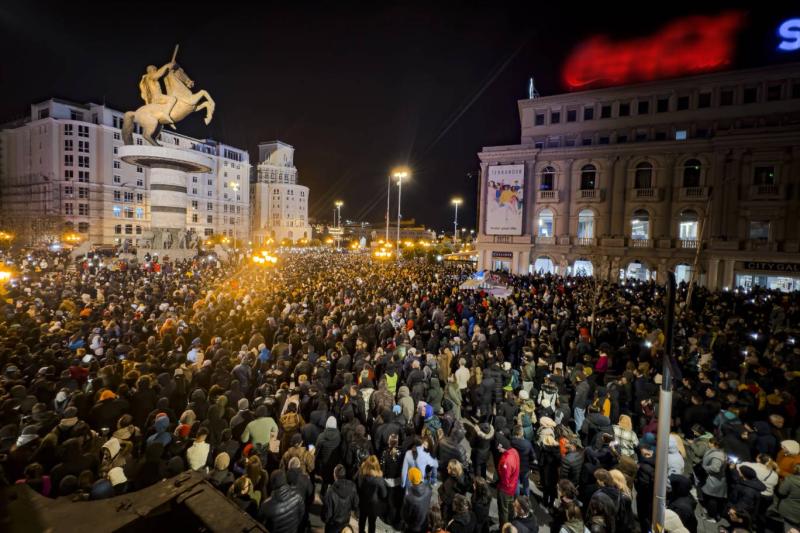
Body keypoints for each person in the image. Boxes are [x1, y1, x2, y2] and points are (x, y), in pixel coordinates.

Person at [322, 464, 358, 533]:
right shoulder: (352, 487)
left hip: (332, 525)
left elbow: (327, 513)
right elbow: (356, 504)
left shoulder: (330, 491)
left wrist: (325, 519)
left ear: (335, 475)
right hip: (345, 522)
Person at [356, 455, 388, 533]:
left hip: (362, 503)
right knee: (372, 523)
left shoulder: (361, 474)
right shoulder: (379, 480)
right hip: (374, 506)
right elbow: (384, 494)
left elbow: (358, 487)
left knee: (362, 520)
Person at [496, 435, 520, 527]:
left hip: (505, 489)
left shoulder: (507, 461)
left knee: (503, 510)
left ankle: (504, 528)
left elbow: (505, 480)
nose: (498, 450)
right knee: (510, 508)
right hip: (513, 487)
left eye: (499, 448)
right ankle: (510, 524)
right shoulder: (514, 451)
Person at [402, 467, 432, 533]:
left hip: (413, 528)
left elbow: (405, 516)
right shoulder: (429, 489)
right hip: (424, 524)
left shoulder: (409, 497)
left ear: (410, 479)